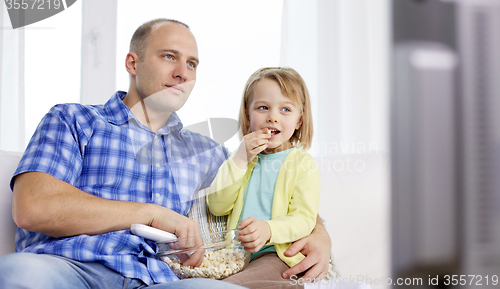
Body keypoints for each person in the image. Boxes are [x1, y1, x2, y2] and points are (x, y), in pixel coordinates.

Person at [0, 19, 331, 288]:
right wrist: (150, 213)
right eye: (169, 57)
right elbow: (34, 207)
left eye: (192, 64)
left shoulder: (209, 153)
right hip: (71, 267)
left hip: (163, 280)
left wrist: (320, 233)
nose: (183, 73)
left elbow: (268, 190)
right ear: (133, 62)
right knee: (19, 274)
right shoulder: (73, 120)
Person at [207, 67, 320, 288]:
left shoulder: (302, 164)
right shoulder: (241, 160)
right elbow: (217, 206)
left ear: (299, 121)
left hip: (276, 254)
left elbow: (304, 218)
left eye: (285, 109)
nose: (273, 117)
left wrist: (269, 230)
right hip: (236, 256)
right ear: (248, 117)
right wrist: (239, 159)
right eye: (263, 107)